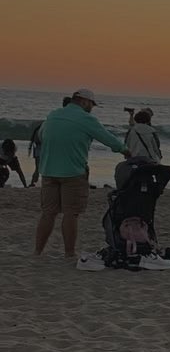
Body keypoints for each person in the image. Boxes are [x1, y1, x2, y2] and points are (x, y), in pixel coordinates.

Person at [33, 89, 129, 259]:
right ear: (85, 102)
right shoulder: (86, 119)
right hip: (73, 172)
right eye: (92, 104)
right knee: (71, 213)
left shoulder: (53, 115)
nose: (92, 108)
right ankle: (69, 253)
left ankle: (37, 251)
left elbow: (41, 136)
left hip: (48, 171)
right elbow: (107, 138)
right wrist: (125, 151)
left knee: (48, 213)